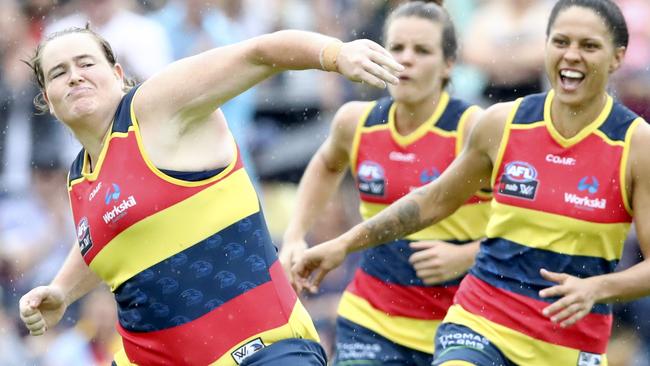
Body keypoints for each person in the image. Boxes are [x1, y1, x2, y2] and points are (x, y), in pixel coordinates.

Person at [17, 24, 403, 365]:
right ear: (48, 101)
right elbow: (109, 238)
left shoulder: (154, 108)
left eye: (85, 63)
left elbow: (259, 53)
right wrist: (62, 291)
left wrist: (336, 54)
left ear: (118, 74)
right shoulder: (79, 180)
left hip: (263, 349)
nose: (74, 77)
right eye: (58, 73)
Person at [292, 0, 650, 365]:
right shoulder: (502, 124)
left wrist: (598, 288)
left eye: (589, 46)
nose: (571, 55)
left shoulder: (637, 145)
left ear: (618, 57)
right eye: (560, 42)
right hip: (479, 324)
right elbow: (430, 202)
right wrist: (341, 244)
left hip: (568, 345)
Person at [280, 1, 490, 365]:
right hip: (372, 317)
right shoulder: (356, 122)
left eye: (422, 50)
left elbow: (530, 216)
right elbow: (327, 165)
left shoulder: (474, 128)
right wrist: (295, 235)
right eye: (397, 48)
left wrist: (467, 254)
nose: (406, 58)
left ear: (448, 64)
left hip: (461, 323)